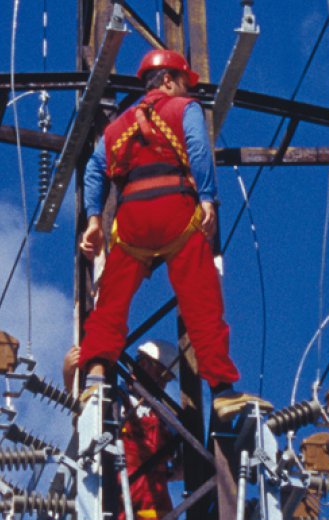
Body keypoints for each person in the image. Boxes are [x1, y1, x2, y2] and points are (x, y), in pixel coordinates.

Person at [77, 49, 266, 419]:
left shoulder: (117, 127)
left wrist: (94, 220)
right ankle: (223, 391)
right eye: (182, 82)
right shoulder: (184, 109)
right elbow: (197, 148)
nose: (185, 90)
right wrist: (208, 199)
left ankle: (95, 378)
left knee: (110, 304)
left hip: (132, 221)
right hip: (175, 211)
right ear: (167, 80)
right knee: (202, 301)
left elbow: (95, 170)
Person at [57, 340, 191, 520]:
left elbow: (185, 465)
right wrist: (69, 374)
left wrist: (168, 472)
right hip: (109, 488)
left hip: (149, 497)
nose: (151, 374)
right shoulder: (111, 398)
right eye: (146, 366)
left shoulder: (166, 415)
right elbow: (80, 413)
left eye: (158, 371)